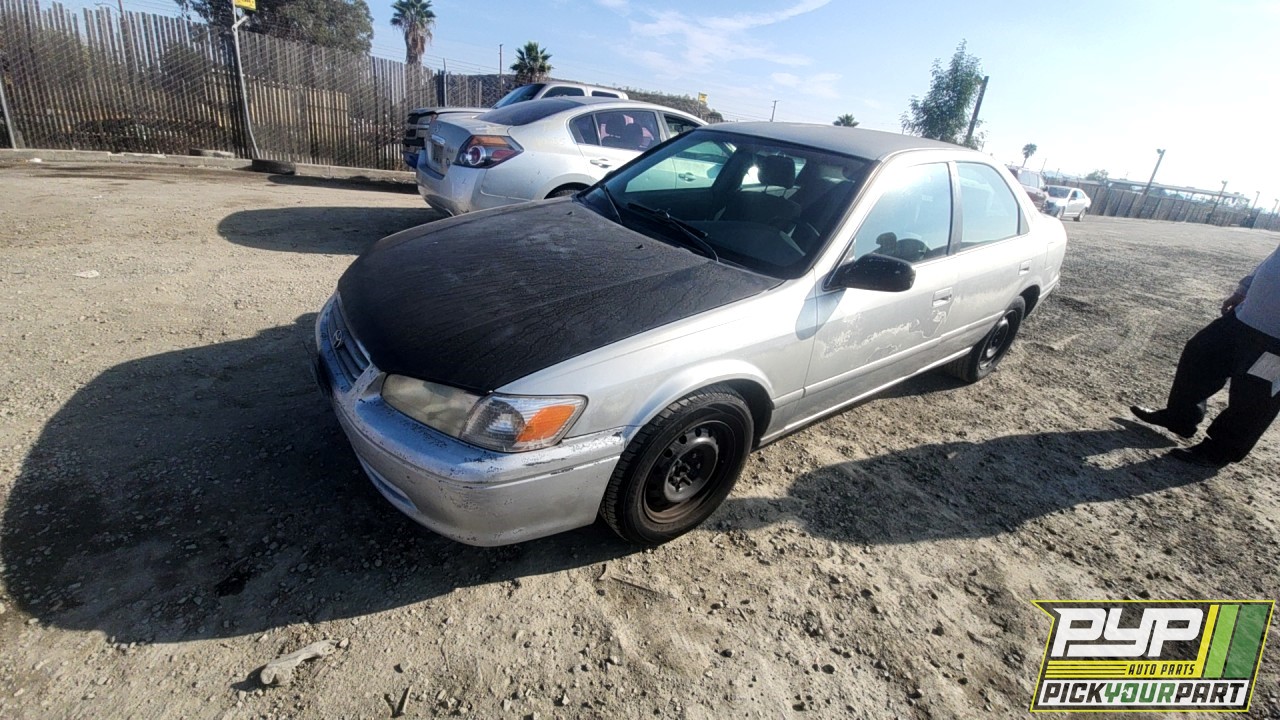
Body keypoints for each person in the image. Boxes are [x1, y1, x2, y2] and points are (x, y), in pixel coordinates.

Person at [1131, 244, 1280, 466]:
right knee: (1200, 354)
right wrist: (1243, 290)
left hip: (1276, 340)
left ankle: (1219, 450)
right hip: (1246, 315)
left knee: (1256, 395)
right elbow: (1274, 258)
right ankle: (1180, 417)